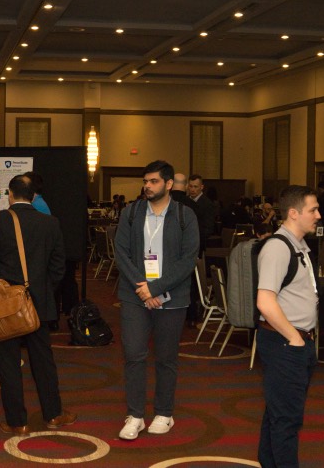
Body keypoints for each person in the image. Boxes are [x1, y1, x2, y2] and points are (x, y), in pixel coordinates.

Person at [0, 175, 73, 435]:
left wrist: (4, 290)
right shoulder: (50, 223)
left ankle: (17, 421)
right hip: (38, 304)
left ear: (10, 194)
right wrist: (39, 291)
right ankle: (54, 414)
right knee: (43, 362)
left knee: (8, 362)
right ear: (33, 196)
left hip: (5, 306)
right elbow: (58, 267)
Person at [114, 160, 199, 441]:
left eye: (153, 181)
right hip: (135, 295)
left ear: (169, 184)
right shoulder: (131, 212)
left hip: (172, 298)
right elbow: (121, 252)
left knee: (166, 358)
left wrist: (156, 289)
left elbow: (188, 259)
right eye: (145, 181)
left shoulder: (185, 215)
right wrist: (144, 288)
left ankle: (164, 413)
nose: (147, 186)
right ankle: (135, 416)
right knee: (134, 355)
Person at [255, 185, 320, 468]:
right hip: (285, 343)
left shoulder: (298, 246)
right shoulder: (278, 248)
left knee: (278, 413)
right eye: (313, 210)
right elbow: (264, 301)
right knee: (286, 420)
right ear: (294, 213)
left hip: (294, 343)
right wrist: (295, 339)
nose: (318, 215)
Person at [187, 174, 217, 250]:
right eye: (190, 186)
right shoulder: (185, 201)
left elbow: (208, 228)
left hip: (199, 242)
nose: (192, 189)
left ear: (201, 187)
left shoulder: (207, 204)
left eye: (195, 187)